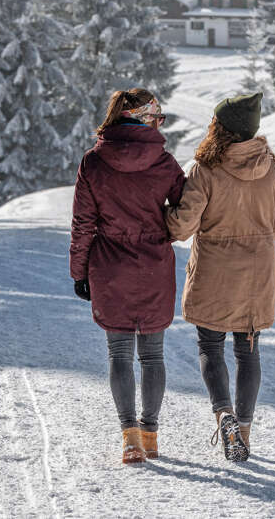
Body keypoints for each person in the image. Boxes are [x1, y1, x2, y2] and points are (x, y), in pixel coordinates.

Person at [165, 92, 275, 462]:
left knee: (210, 347)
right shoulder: (272, 168)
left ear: (220, 129)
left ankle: (224, 415)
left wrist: (166, 214)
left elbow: (181, 228)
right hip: (257, 277)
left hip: (215, 274)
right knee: (248, 352)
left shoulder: (205, 170)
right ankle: (245, 432)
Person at [70, 88, 185, 464]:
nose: (159, 123)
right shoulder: (165, 162)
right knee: (153, 356)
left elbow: (83, 224)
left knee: (119, 353)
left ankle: (129, 437)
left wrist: (79, 271)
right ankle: (150, 434)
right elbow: (187, 209)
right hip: (154, 262)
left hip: (109, 263)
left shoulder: (93, 162)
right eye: (157, 117)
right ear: (145, 118)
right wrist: (167, 230)